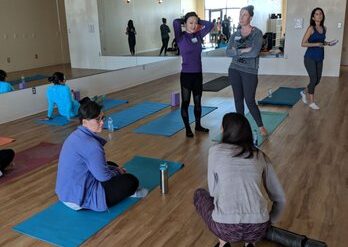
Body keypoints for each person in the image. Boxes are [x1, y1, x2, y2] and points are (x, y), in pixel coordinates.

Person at [194, 113, 286, 247]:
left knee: (199, 194)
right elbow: (281, 199)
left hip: (225, 228)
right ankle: (250, 243)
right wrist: (268, 222)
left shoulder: (215, 151)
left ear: (224, 131)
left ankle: (223, 243)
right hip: (258, 228)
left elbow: (213, 192)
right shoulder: (260, 155)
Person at [55, 97, 144, 211]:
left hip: (66, 194)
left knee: (110, 164)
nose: (102, 122)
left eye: (102, 118)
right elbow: (103, 177)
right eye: (97, 119)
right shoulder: (91, 145)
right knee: (131, 181)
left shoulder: (75, 135)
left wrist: (114, 170)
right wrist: (117, 171)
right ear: (84, 122)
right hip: (78, 200)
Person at [226, 5, 267, 136]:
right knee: (238, 100)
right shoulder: (235, 34)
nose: (241, 17)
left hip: (250, 71)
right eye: (240, 14)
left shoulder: (257, 33)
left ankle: (260, 126)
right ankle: (240, 129)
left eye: (244, 15)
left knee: (249, 100)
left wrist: (236, 52)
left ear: (250, 17)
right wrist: (244, 50)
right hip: (234, 69)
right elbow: (228, 52)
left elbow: (254, 53)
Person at [173, 12, 213, 138]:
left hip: (198, 75)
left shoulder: (199, 35)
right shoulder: (180, 37)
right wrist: (185, 20)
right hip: (186, 76)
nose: (194, 25)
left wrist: (197, 20)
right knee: (185, 102)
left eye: (196, 23)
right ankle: (187, 129)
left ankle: (198, 126)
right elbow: (175, 22)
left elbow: (210, 25)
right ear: (185, 24)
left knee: (198, 102)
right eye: (191, 23)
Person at [301, 7, 336, 110]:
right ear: (313, 17)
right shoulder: (311, 28)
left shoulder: (324, 28)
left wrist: (328, 43)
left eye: (320, 14)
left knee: (318, 80)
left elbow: (321, 42)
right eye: (316, 14)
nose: (319, 15)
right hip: (309, 57)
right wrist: (316, 44)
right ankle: (311, 102)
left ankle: (303, 92)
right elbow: (303, 43)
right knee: (313, 79)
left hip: (320, 57)